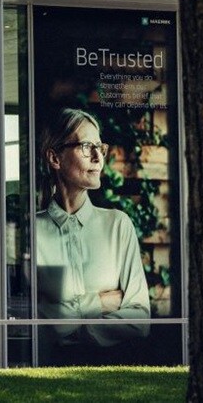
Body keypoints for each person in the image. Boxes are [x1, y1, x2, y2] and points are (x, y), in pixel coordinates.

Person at [35, 108, 150, 365]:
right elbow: (37, 321)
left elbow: (140, 318)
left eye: (100, 147)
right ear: (55, 158)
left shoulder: (118, 225)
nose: (99, 157)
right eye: (87, 146)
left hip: (112, 372)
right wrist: (100, 302)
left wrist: (75, 328)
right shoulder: (31, 230)